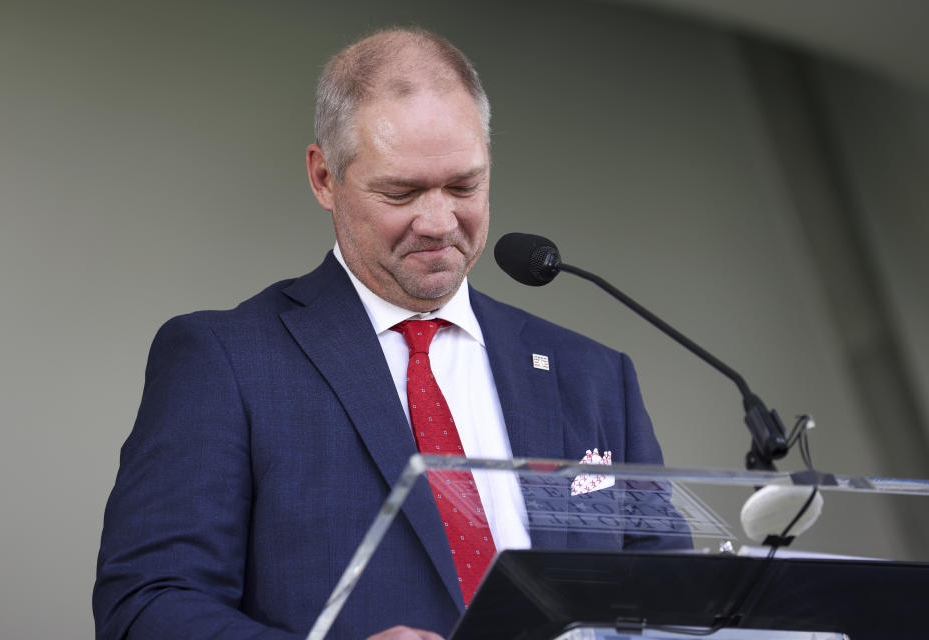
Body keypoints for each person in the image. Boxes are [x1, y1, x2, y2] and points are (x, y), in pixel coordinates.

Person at [93, 27, 673, 640]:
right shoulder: (225, 361)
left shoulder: (594, 376)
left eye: (463, 185)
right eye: (401, 191)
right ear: (324, 178)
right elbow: (146, 607)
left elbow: (673, 602)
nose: (438, 220)